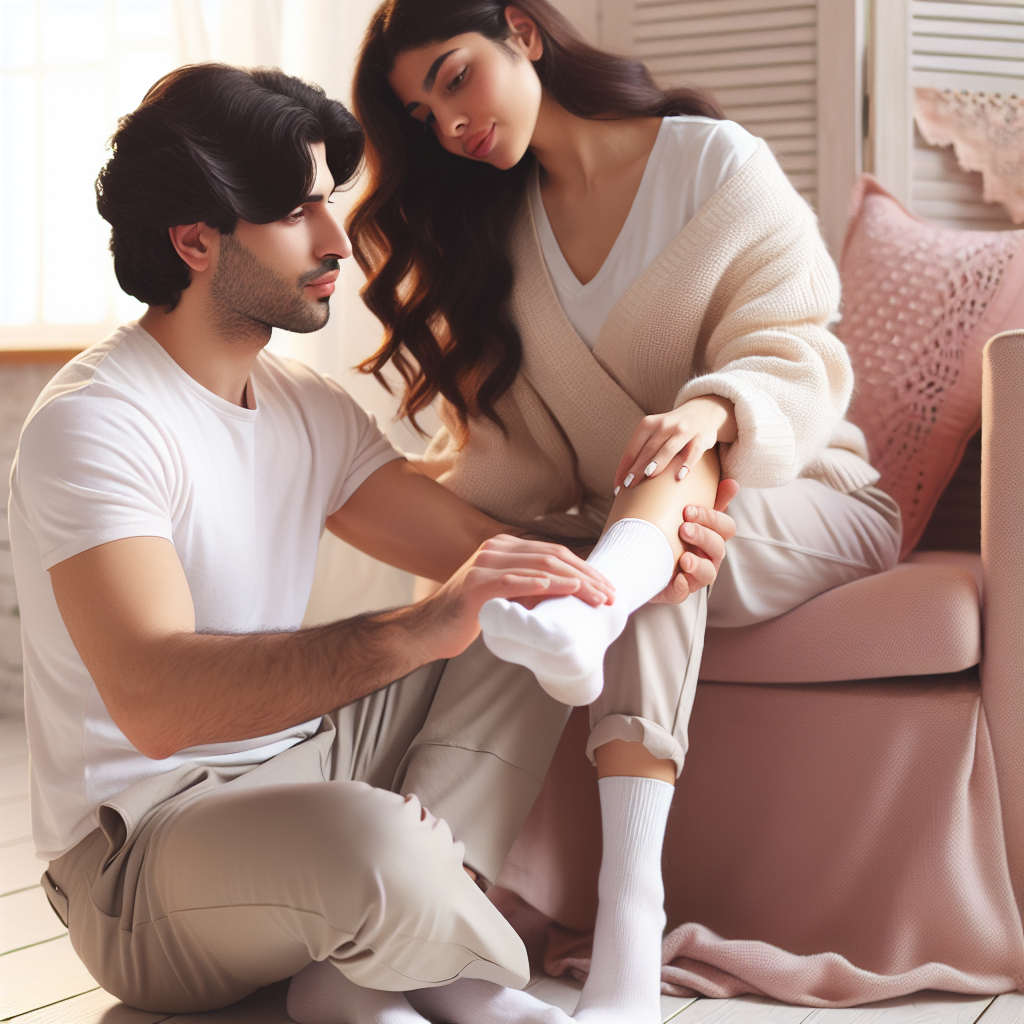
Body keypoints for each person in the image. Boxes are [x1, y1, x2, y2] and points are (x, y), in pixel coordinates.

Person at [8, 63, 737, 1024]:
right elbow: (158, 705)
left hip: (306, 775)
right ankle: (449, 970)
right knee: (374, 843)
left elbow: (487, 554)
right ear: (194, 239)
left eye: (329, 200)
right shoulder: (96, 421)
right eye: (293, 212)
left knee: (548, 583)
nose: (335, 239)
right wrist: (417, 627)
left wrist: (635, 566)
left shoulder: (306, 406)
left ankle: (364, 976)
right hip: (143, 858)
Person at [347, 3, 904, 1022]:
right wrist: (365, 493)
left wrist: (708, 406)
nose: (448, 123)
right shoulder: (501, 229)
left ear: (521, 29)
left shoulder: (711, 164)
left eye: (454, 77)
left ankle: (627, 925)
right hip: (655, 537)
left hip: (806, 498)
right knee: (605, 554)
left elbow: (796, 347)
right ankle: (421, 915)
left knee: (661, 492)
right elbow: (525, 455)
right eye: (423, 114)